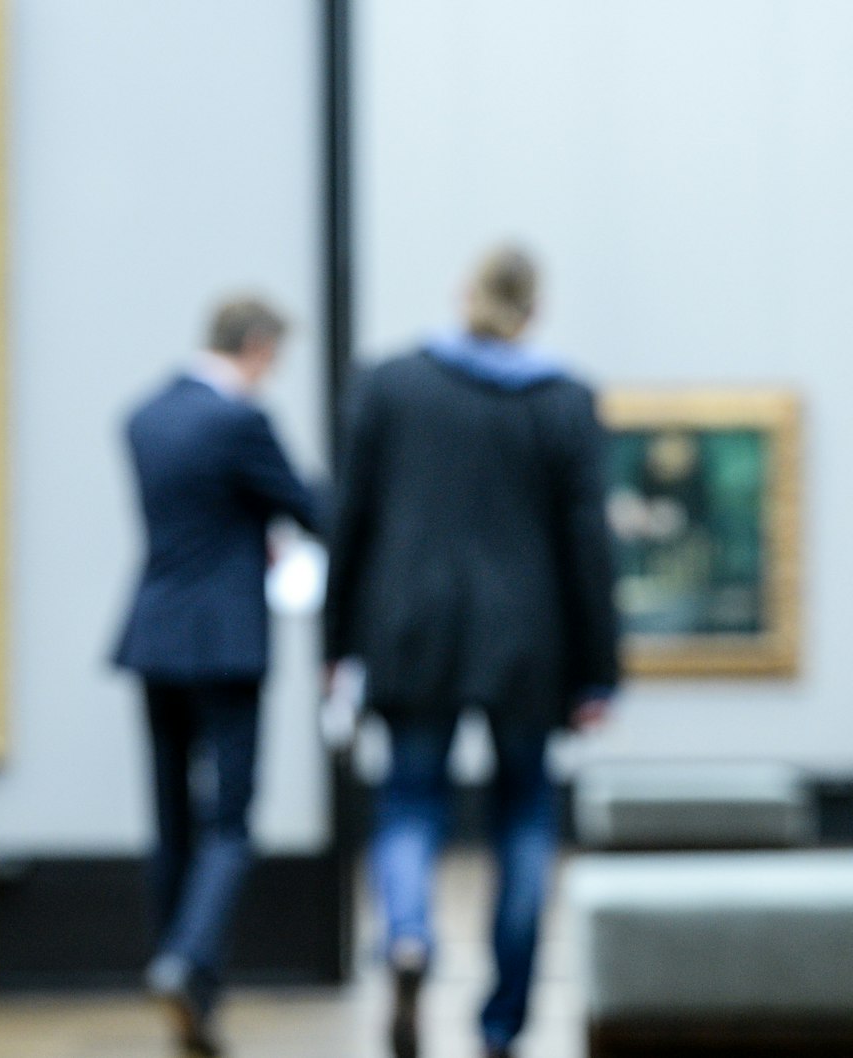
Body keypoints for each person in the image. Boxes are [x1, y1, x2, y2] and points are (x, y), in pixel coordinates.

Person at [325, 246, 620, 1058]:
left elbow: (349, 522)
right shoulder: (563, 400)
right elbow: (587, 546)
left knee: (410, 802)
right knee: (524, 813)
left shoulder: (390, 385)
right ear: (534, 311)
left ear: (464, 295)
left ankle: (410, 938)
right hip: (530, 641)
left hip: (411, 630)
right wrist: (601, 670)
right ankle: (502, 1023)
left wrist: (337, 644)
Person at [111, 295, 322, 1057]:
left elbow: (201, 518)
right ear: (259, 345)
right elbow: (305, 507)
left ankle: (190, 990)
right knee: (228, 823)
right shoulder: (239, 421)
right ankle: (186, 960)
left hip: (153, 634)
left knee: (170, 821)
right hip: (226, 641)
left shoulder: (145, 416)